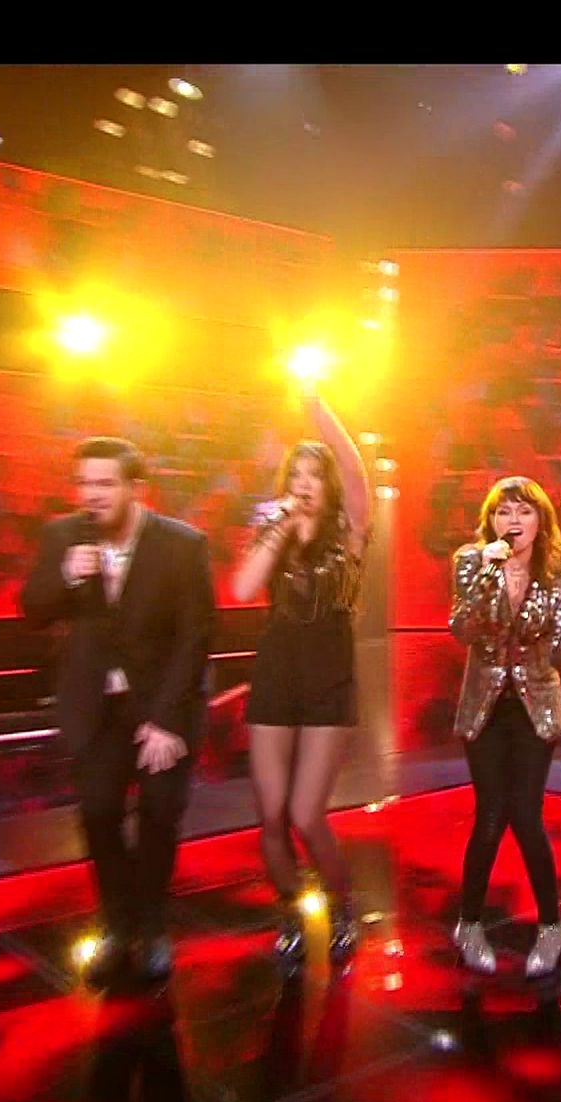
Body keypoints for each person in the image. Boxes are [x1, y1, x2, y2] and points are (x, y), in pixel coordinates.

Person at [20, 437, 214, 990]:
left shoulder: (181, 545)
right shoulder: (63, 536)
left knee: (159, 814)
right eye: (84, 483)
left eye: (105, 484)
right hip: (95, 707)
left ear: (136, 489)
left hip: (163, 705)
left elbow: (196, 637)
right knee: (99, 815)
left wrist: (166, 720)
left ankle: (151, 928)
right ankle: (116, 924)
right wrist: (66, 576)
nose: (92, 494)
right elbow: (33, 609)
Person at [231, 394, 371, 969]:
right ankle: (289, 910)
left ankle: (343, 908)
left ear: (329, 484)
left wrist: (315, 405)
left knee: (307, 814)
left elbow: (355, 468)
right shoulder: (276, 529)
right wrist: (279, 525)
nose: (305, 483)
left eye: (315, 474)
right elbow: (243, 589)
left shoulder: (350, 532)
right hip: (277, 676)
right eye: (297, 474)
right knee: (270, 814)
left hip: (329, 680)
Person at [448, 476, 561, 977]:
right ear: (491, 521)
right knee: (490, 814)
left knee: (527, 816)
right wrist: (486, 574)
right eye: (503, 511)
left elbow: (559, 657)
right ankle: (469, 925)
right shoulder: (471, 562)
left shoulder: (558, 575)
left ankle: (552, 928)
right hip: (485, 706)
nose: (513, 521)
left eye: (524, 511)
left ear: (541, 521)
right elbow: (462, 628)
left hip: (535, 708)